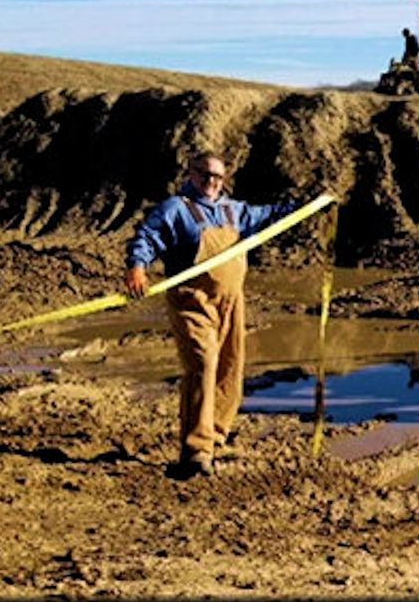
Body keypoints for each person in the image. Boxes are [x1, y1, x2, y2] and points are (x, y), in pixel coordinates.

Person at [125, 151, 296, 478]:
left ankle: (215, 437)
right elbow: (147, 237)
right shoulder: (176, 209)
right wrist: (137, 267)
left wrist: (312, 206)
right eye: (205, 174)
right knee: (203, 364)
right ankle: (195, 451)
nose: (211, 182)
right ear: (191, 173)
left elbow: (272, 215)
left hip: (231, 302)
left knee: (231, 366)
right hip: (194, 300)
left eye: (217, 176)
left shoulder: (234, 211)